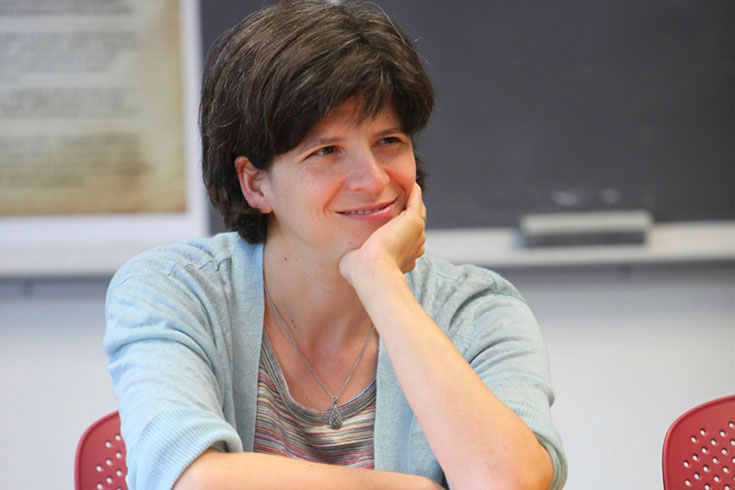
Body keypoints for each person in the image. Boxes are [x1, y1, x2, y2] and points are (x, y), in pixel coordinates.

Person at [104, 1, 568, 489]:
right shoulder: (174, 290)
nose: (372, 180)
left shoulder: (478, 309)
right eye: (326, 151)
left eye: (389, 141)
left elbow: (511, 483)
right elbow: (191, 481)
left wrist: (382, 284)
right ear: (255, 184)